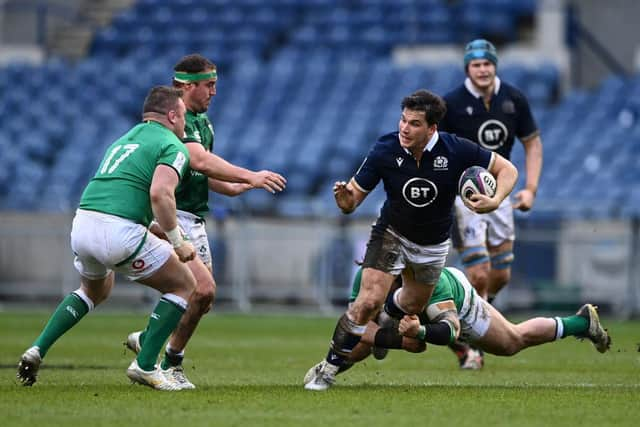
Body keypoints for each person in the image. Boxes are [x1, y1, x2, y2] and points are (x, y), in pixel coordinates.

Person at [304, 89, 518, 391]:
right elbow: (352, 202)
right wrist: (343, 199)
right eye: (403, 120)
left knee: (412, 302)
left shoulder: (456, 150)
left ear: (432, 128)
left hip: (431, 247)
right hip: (391, 234)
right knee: (366, 302)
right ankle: (328, 368)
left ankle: (385, 328)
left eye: (414, 123)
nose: (404, 128)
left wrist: (495, 199)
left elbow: (507, 169)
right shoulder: (385, 149)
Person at [17, 86, 197, 391]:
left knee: (94, 290)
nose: (184, 123)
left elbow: (122, 190)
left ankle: (37, 348)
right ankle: (146, 365)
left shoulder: (124, 140)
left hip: (83, 223)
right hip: (117, 232)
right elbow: (160, 194)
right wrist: (177, 242)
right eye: (182, 115)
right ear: (171, 115)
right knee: (184, 284)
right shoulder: (173, 146)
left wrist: (149, 226)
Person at [124, 54, 286, 390]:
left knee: (202, 299)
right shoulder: (175, 122)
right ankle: (165, 362)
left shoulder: (203, 122)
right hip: (171, 216)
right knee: (203, 289)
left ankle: (152, 341)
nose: (214, 92)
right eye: (208, 85)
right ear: (186, 87)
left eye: (215, 85)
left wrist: (233, 187)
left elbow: (197, 170)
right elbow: (197, 159)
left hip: (193, 218)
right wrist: (251, 175)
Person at [305, 266, 611, 384]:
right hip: (403, 312)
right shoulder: (367, 275)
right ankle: (330, 369)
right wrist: (387, 338)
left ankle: (580, 322)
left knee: (512, 342)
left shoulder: (431, 283)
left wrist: (417, 333)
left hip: (458, 303)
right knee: (359, 338)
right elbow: (353, 323)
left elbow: (440, 335)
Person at [438, 39, 544, 369]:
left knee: (501, 275)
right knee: (480, 274)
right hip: (463, 197)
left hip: (501, 193)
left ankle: (470, 324)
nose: (482, 69)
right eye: (475, 64)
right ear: (467, 68)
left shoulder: (514, 99)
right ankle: (475, 338)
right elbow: (436, 149)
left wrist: (530, 189)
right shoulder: (451, 104)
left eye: (487, 63)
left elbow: (533, 144)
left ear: (495, 65)